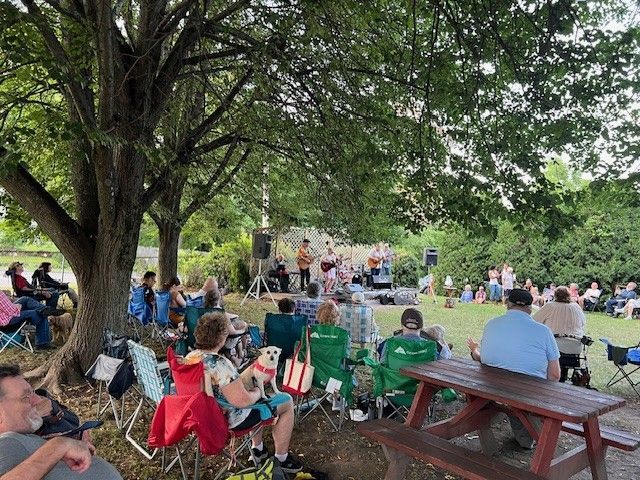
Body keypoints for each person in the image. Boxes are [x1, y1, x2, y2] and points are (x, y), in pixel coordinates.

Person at [189, 313, 302, 473]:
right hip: (228, 420)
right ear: (222, 339)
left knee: (254, 396)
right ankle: (281, 458)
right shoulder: (219, 363)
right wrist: (256, 391)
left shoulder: (191, 357)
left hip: (199, 417)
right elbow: (244, 401)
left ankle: (258, 449)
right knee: (286, 401)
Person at [467, 289, 560, 449]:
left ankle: (520, 430)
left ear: (508, 304)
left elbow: (485, 359)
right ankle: (531, 434)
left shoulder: (491, 324)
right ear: (530, 308)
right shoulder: (543, 331)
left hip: (490, 389)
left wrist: (474, 351)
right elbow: (554, 374)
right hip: (525, 395)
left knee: (517, 401)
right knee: (527, 403)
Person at [0, 365, 122, 479]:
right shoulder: (7, 443)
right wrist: (59, 445)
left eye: (33, 392)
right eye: (26, 397)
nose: (37, 400)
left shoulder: (20, 436)